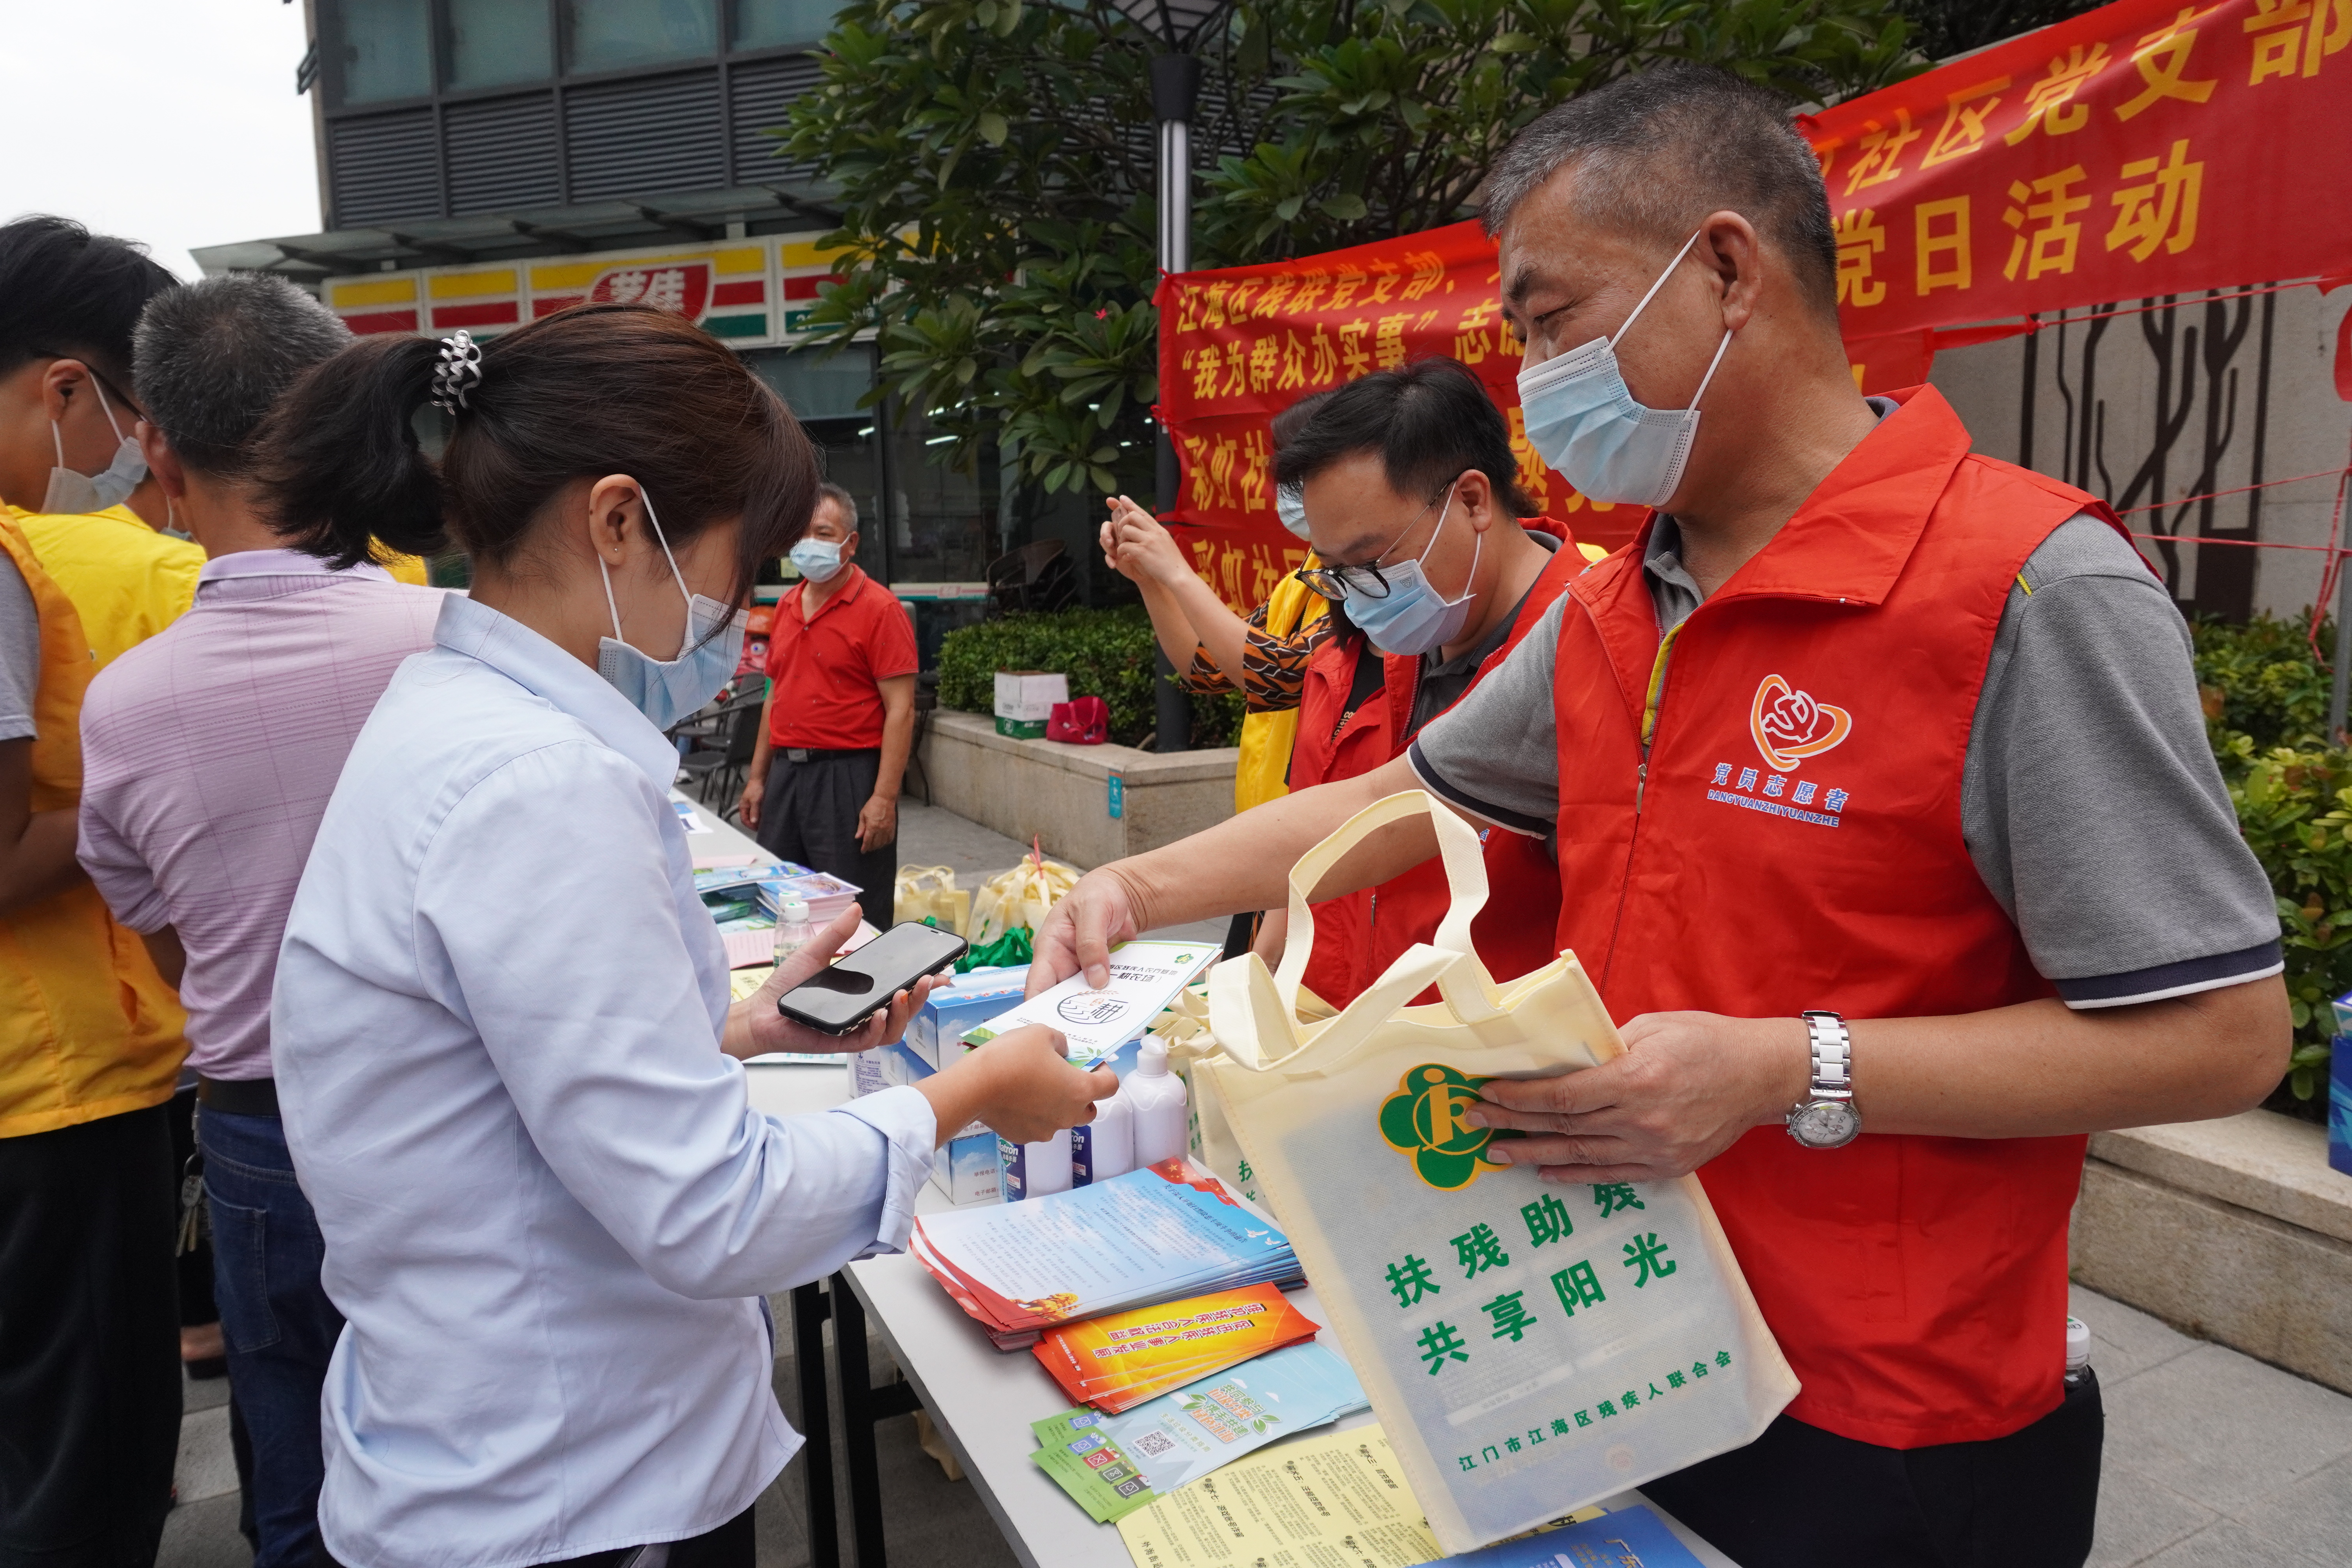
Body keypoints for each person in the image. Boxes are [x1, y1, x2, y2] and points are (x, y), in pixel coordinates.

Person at [1027, 64, 2288, 1568]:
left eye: (1554, 320)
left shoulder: (2023, 588)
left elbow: (2220, 1032)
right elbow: (1395, 797)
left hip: (1889, 1425)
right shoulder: (1627, 601)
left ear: (1726, 269)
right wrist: (1135, 885)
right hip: (1629, 1336)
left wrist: (1781, 1067)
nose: (1538, 373)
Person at [260, 303, 1115, 1568]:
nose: (745, 611)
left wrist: (741, 1029)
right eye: (741, 564)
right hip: (569, 1494)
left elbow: (507, 1073)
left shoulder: (459, 719)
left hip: (492, 1444)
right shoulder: (533, 784)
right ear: (618, 522)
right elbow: (711, 1211)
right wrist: (969, 1096)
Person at [77, 273, 445, 1568]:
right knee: (480, 1455)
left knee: (293, 1474)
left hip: (259, 1124)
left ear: (158, 447)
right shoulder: (451, 639)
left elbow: (173, 944)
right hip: (456, 1103)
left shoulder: (121, 709)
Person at [0, 217, 189, 1568]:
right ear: (65, 388)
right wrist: (128, 789)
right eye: (134, 413)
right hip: (49, 1092)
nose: (140, 456)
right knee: (86, 1474)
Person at [1234, 358, 1587, 1005]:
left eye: (1372, 561)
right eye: (1336, 573)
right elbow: (1317, 838)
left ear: (1474, 501)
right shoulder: (1373, 651)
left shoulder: (1594, 652)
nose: (1358, 598)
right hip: (1349, 1049)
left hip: (1496, 1075)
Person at [737, 482, 914, 929]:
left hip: (848, 779)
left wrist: (884, 798)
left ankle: (863, 997)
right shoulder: (788, 606)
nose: (808, 544)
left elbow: (901, 710)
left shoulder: (880, 609)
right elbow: (773, 697)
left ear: (850, 543)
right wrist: (758, 777)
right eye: (800, 533)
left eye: (822, 532)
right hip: (787, 778)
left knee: (852, 911)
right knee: (781, 902)